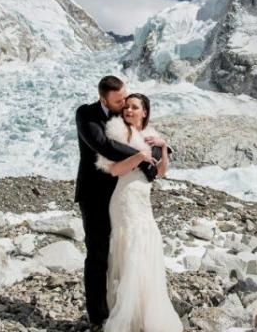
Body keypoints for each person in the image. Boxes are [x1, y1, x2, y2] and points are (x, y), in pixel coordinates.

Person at [75, 76, 159, 331]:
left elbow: (141, 135)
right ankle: (97, 317)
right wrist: (142, 157)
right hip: (95, 195)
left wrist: (156, 152)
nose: (124, 104)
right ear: (104, 99)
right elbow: (104, 146)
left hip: (122, 197)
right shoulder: (86, 115)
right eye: (119, 100)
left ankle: (123, 309)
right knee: (98, 254)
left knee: (124, 252)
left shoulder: (122, 116)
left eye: (126, 97)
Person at [95, 93, 183, 332]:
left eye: (135, 107)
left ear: (145, 112)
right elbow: (114, 170)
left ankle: (145, 313)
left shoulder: (151, 136)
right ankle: (128, 317)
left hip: (143, 201)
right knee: (130, 251)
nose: (129, 111)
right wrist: (138, 156)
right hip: (124, 200)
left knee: (146, 250)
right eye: (127, 107)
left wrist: (163, 148)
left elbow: (161, 172)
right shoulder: (116, 133)